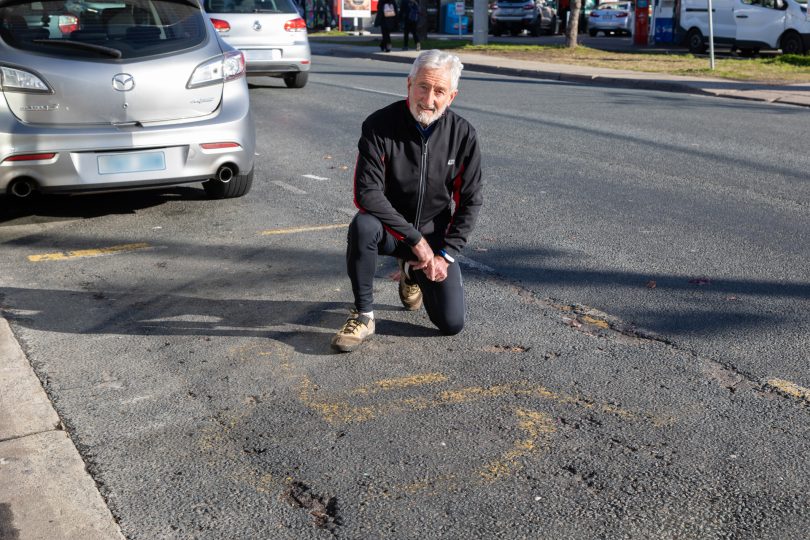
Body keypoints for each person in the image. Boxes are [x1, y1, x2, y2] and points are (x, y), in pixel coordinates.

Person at [331, 50, 483, 353]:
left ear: (451, 96)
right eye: (423, 87)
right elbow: (367, 194)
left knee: (451, 324)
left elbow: (470, 200)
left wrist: (445, 255)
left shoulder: (463, 134)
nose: (428, 99)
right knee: (362, 226)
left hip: (434, 237)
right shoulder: (379, 125)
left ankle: (412, 273)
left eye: (439, 91)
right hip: (389, 229)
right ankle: (363, 315)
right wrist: (414, 239)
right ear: (409, 84)